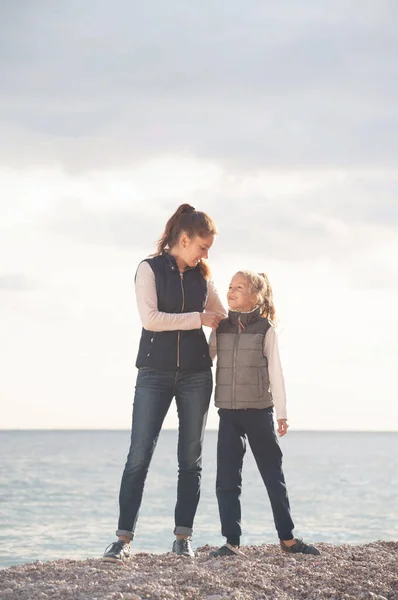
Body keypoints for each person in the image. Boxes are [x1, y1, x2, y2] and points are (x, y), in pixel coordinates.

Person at [103, 204, 226, 563]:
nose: (206, 254)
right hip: (153, 375)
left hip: (197, 376)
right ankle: (123, 540)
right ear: (183, 239)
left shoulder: (204, 275)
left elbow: (219, 318)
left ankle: (182, 537)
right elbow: (151, 319)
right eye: (203, 246)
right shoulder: (149, 269)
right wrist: (197, 320)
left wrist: (217, 347)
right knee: (138, 456)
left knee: (191, 459)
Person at [208, 270, 320, 557]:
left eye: (239, 287)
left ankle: (288, 539)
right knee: (227, 480)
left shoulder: (265, 329)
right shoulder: (220, 327)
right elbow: (204, 359)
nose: (231, 291)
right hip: (228, 414)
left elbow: (275, 372)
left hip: (259, 413)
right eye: (230, 286)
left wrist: (281, 413)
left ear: (254, 296)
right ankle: (231, 542)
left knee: (273, 476)